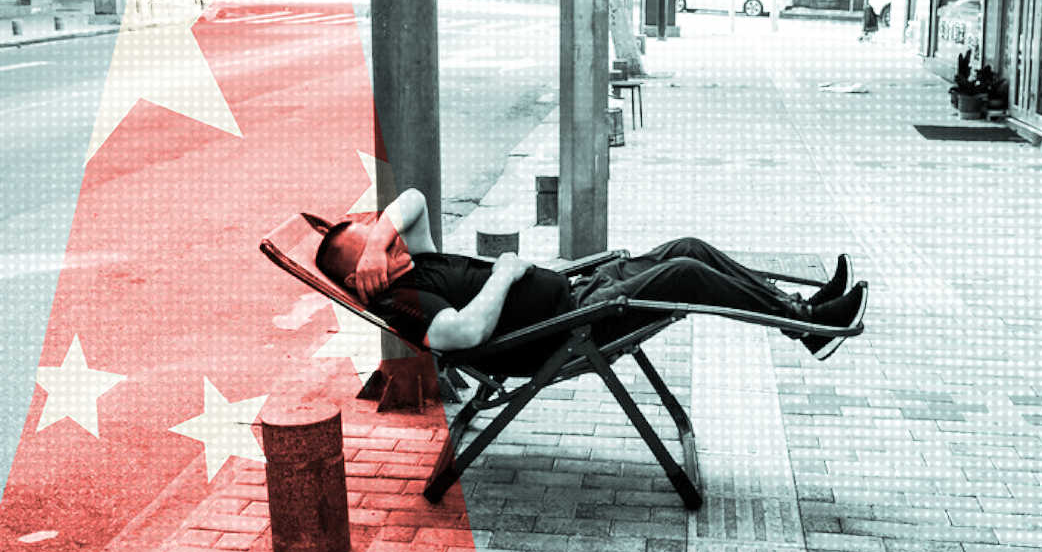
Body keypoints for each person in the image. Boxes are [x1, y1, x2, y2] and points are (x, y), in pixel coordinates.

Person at [315, 189, 868, 374]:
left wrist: (378, 237)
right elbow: (462, 335)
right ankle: (809, 326)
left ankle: (801, 312)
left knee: (689, 247)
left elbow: (412, 199)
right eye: (377, 246)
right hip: (569, 329)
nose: (393, 242)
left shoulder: (411, 259)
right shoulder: (403, 299)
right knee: (686, 275)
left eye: (387, 237)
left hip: (583, 295)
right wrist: (505, 273)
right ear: (361, 276)